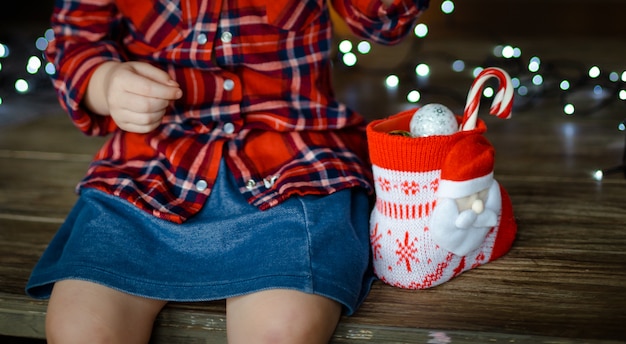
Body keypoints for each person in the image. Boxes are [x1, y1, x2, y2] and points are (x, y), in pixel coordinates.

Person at [26, 0, 429, 342]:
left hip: (291, 166)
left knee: (283, 326)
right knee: (80, 325)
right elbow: (75, 38)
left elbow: (382, 20)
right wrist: (105, 82)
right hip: (150, 167)